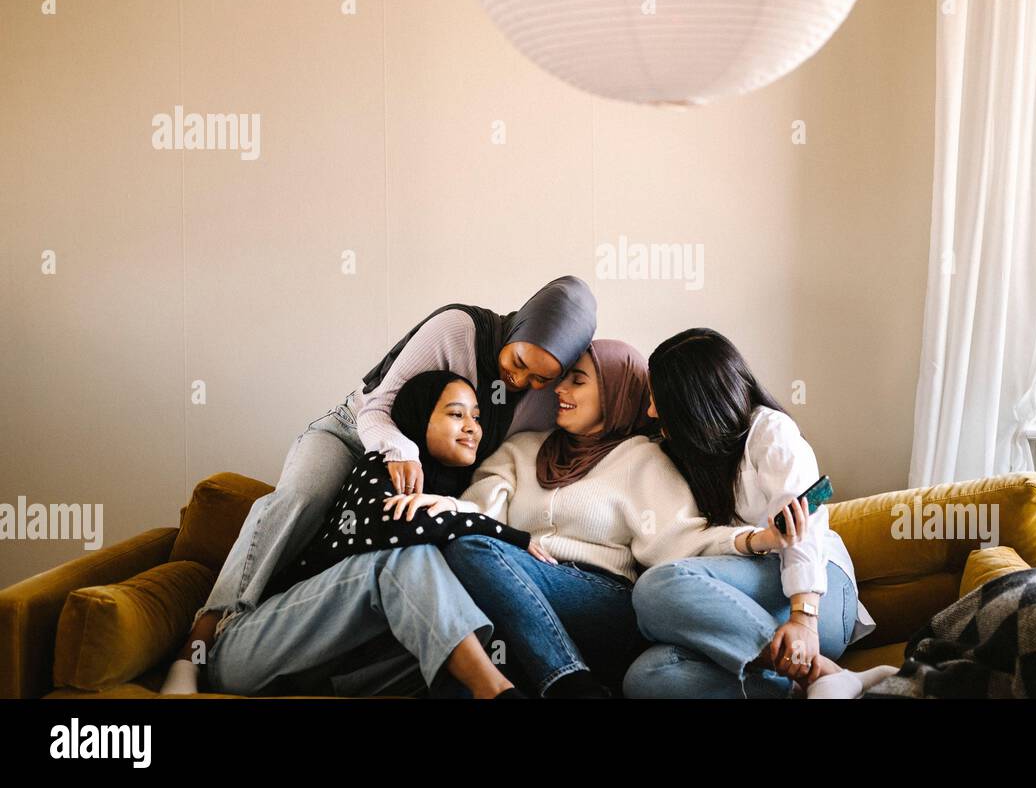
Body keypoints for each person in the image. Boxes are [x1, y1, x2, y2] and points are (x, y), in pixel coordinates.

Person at [161, 276, 596, 694]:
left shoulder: (537, 395)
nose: (521, 381)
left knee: (438, 567)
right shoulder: (458, 329)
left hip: (428, 465)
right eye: (518, 363)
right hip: (358, 432)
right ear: (519, 326)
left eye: (541, 379)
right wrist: (401, 456)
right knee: (301, 498)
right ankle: (197, 645)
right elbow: (379, 407)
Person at [421, 339, 805, 697]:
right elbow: (480, 515)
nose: (559, 390)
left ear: (614, 391)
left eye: (578, 381)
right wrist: (445, 508)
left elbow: (680, 542)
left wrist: (751, 540)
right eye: (562, 380)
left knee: (475, 552)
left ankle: (570, 685)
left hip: (604, 602)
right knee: (466, 550)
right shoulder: (521, 449)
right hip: (521, 584)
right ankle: (567, 680)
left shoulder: (642, 458)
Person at [201, 371, 527, 698]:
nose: (472, 426)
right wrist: (519, 539)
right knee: (404, 555)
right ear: (420, 416)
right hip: (245, 652)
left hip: (335, 674)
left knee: (467, 593)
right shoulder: (378, 467)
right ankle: (495, 691)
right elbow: (395, 529)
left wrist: (458, 510)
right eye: (456, 414)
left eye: (476, 417)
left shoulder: (447, 495)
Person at [621, 327, 877, 699]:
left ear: (693, 402)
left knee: (655, 588)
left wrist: (804, 620)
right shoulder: (692, 459)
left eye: (658, 399)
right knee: (646, 676)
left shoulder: (771, 431)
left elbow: (801, 531)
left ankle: (812, 664)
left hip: (818, 594)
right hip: (752, 609)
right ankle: (805, 684)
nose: (650, 411)